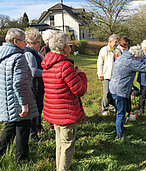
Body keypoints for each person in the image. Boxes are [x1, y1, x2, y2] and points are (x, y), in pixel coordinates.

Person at [0, 28, 39, 160]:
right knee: (22, 129)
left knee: (10, 125)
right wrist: (24, 105)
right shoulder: (19, 57)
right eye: (24, 41)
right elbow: (19, 83)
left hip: (6, 100)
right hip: (19, 101)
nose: (25, 44)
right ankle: (21, 158)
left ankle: (0, 153)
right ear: (16, 41)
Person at [41, 31, 87, 171]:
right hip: (66, 113)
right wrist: (82, 75)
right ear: (64, 47)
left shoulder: (48, 64)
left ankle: (60, 167)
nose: (71, 48)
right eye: (69, 45)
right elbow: (80, 90)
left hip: (54, 111)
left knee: (60, 143)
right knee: (67, 145)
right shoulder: (65, 66)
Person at [109, 45, 146, 139]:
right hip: (120, 89)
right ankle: (119, 135)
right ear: (134, 55)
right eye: (138, 57)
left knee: (121, 110)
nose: (138, 59)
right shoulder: (131, 61)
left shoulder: (123, 56)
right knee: (120, 113)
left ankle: (120, 129)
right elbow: (145, 68)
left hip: (114, 87)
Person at [24, 28, 44, 142]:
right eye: (38, 43)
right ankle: (33, 134)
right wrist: (48, 73)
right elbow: (34, 71)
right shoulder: (29, 53)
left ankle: (38, 127)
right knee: (35, 109)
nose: (39, 45)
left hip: (38, 85)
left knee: (39, 108)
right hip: (34, 86)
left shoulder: (35, 51)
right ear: (30, 42)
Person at [97, 34, 119, 116]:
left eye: (117, 42)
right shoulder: (104, 50)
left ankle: (113, 107)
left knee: (115, 93)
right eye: (115, 42)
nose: (117, 44)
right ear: (110, 41)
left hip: (116, 76)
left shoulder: (118, 51)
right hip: (107, 75)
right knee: (106, 93)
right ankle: (104, 109)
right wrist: (100, 74)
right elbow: (100, 63)